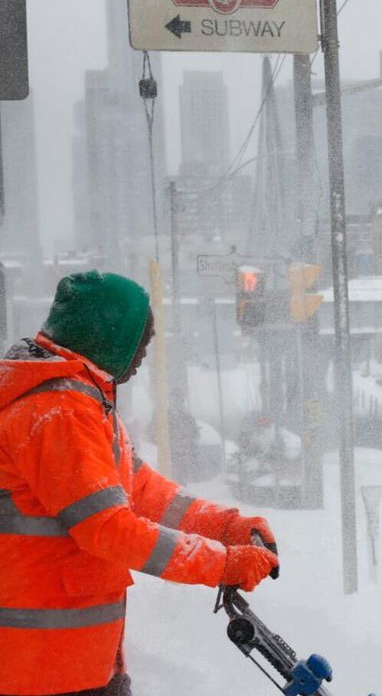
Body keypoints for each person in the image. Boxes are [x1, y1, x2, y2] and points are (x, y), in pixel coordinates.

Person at [0, 272, 280, 696]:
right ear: (106, 337)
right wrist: (222, 562)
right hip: (44, 672)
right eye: (140, 341)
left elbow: (140, 490)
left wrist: (225, 526)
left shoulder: (79, 399)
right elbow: (108, 528)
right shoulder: (58, 411)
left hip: (71, 662)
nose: (144, 354)